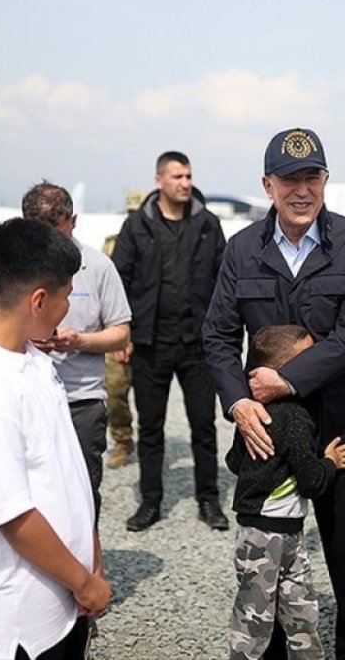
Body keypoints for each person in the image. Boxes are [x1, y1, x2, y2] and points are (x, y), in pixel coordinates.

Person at [203, 127, 345, 659]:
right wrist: (238, 402)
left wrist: (286, 379)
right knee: (272, 566)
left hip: (344, 429)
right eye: (289, 179)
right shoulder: (241, 251)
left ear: (326, 181)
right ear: (268, 184)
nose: (301, 190)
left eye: (312, 177)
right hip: (271, 436)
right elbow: (215, 334)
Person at [0, 217, 111, 660]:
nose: (67, 306)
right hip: (15, 620)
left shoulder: (31, 358)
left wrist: (91, 558)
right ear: (38, 300)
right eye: (66, 295)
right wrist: (85, 582)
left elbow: (67, 473)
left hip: (59, 598)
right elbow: (12, 515)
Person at [0, 182, 131, 518]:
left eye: (55, 232)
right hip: (19, 397)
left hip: (80, 400)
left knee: (83, 496)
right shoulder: (9, 266)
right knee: (26, 499)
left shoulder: (98, 266)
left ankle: (85, 568)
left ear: (72, 221)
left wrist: (80, 341)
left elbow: (121, 333)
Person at [226, 325, 345, 660]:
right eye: (309, 359)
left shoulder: (252, 413)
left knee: (276, 612)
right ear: (282, 373)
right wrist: (330, 461)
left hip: (261, 531)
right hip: (271, 536)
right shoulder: (296, 417)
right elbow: (312, 481)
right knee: (276, 617)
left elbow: (233, 461)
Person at [112, 151, 228, 532]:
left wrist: (222, 334)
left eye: (189, 175)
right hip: (151, 343)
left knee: (203, 426)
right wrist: (122, 332)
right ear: (159, 180)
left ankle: (208, 500)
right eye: (177, 176)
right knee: (151, 427)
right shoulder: (137, 226)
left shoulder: (208, 225)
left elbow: (224, 283)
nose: (185, 182)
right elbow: (120, 282)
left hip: (196, 345)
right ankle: (150, 502)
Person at [104, 189, 146, 469]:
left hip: (148, 332)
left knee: (148, 396)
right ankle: (121, 440)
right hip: (119, 330)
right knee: (114, 391)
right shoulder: (111, 246)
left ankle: (150, 442)